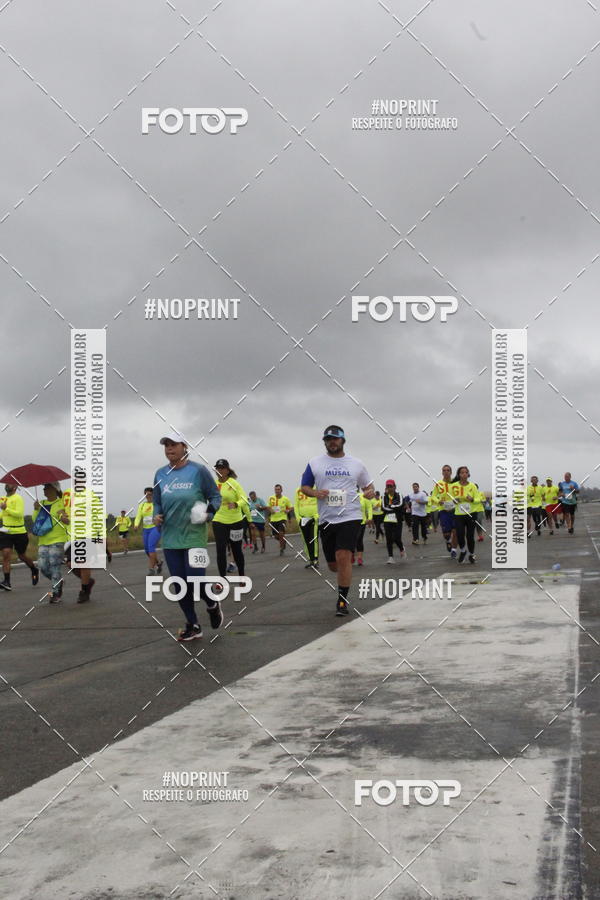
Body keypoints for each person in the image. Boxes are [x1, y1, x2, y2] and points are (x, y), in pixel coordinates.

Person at [153, 431, 222, 641]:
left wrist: (209, 513)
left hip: (194, 536)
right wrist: (157, 515)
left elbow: (215, 496)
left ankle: (212, 603)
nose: (169, 448)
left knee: (195, 580)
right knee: (179, 584)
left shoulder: (198, 471)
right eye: (166, 445)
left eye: (173, 444)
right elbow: (157, 502)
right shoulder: (160, 474)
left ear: (184, 447)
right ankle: (193, 625)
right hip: (171, 538)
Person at [300, 425, 374, 616]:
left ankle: (342, 601)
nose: (332, 442)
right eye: (328, 439)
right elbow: (304, 487)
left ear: (342, 440)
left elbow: (369, 486)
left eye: (335, 439)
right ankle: (345, 564)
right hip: (327, 519)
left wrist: (369, 492)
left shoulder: (356, 463)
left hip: (350, 516)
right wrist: (315, 493)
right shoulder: (314, 463)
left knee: (343, 556)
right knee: (333, 566)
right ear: (325, 442)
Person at [32, 482, 69, 602]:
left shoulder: (62, 503)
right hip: (43, 540)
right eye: (44, 488)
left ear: (54, 489)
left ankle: (55, 593)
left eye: (47, 487)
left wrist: (64, 518)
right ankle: (58, 581)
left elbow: (68, 520)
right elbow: (35, 520)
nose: (44, 490)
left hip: (58, 539)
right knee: (42, 566)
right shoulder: (41, 503)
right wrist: (36, 509)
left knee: (54, 565)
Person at [212, 460, 249, 579]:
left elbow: (244, 499)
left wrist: (236, 504)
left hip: (235, 521)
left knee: (236, 550)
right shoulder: (213, 484)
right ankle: (222, 579)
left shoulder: (234, 483)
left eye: (222, 468)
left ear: (227, 470)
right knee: (220, 550)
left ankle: (242, 576)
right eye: (218, 468)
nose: (220, 470)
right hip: (218, 519)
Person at [0, 482, 39, 591]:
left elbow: (19, 514)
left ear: (15, 487)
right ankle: (7, 582)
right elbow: (3, 515)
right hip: (6, 531)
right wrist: (3, 511)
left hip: (19, 532)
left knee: (21, 556)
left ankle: (34, 569)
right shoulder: (3, 499)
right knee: (6, 554)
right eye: (6, 483)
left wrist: (6, 508)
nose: (7, 485)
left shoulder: (18, 498)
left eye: (10, 484)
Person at [450, 466, 478, 563]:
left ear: (468, 474)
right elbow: (450, 499)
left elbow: (478, 499)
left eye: (466, 472)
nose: (464, 474)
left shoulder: (472, 486)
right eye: (462, 472)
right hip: (459, 514)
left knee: (470, 536)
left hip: (471, 513)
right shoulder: (454, 486)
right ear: (459, 474)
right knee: (459, 534)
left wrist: (472, 499)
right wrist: (454, 500)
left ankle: (471, 554)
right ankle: (463, 551)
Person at [135, 488, 163, 575]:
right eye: (146, 495)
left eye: (150, 494)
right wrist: (136, 525)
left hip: (155, 528)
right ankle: (158, 563)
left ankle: (151, 569)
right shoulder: (142, 505)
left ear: (153, 495)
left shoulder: (156, 504)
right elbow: (138, 516)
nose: (148, 496)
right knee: (147, 550)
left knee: (151, 548)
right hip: (146, 530)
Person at [432, 465, 457, 558]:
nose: (446, 472)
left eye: (448, 470)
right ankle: (448, 541)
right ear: (442, 472)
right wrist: (438, 501)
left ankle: (454, 550)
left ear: (451, 472)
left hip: (455, 510)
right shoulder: (438, 484)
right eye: (444, 470)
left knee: (455, 531)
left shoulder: (456, 483)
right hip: (444, 511)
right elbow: (433, 496)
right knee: (447, 534)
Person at [294, 486, 319, 568]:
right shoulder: (298, 490)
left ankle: (315, 559)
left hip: (313, 518)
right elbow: (296, 505)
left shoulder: (317, 488)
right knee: (305, 540)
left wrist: (317, 516)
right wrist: (298, 519)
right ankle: (310, 559)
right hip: (303, 519)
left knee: (313, 539)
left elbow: (321, 503)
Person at [381, 478, 405, 564]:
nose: (389, 488)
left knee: (397, 538)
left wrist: (391, 506)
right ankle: (390, 557)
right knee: (389, 539)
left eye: (391, 486)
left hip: (397, 519)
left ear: (395, 487)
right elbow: (383, 507)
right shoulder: (384, 496)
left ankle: (401, 548)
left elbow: (400, 505)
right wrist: (393, 508)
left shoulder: (399, 495)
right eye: (388, 486)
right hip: (387, 519)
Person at [267, 484, 293, 556]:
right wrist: (270, 510)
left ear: (281, 490)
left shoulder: (285, 499)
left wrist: (288, 510)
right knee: (276, 536)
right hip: (273, 519)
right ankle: (283, 541)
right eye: (276, 489)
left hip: (282, 518)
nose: (277, 491)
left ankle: (281, 549)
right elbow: (268, 507)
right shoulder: (271, 498)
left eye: (278, 489)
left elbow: (291, 507)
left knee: (281, 533)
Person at [355, 489, 373, 566]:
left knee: (359, 539)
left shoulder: (363, 496)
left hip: (361, 522)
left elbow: (369, 507)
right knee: (351, 540)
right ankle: (351, 555)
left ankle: (359, 558)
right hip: (350, 522)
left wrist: (370, 518)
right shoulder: (346, 496)